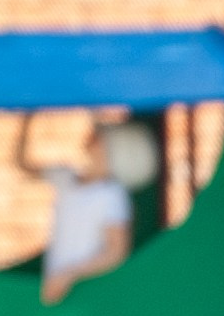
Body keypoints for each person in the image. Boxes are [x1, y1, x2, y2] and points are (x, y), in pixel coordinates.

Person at [13, 117, 143, 304]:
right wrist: (27, 120)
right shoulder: (65, 177)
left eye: (96, 140)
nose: (88, 142)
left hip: (85, 296)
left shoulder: (111, 195)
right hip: (55, 292)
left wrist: (69, 275)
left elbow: (116, 251)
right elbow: (23, 164)